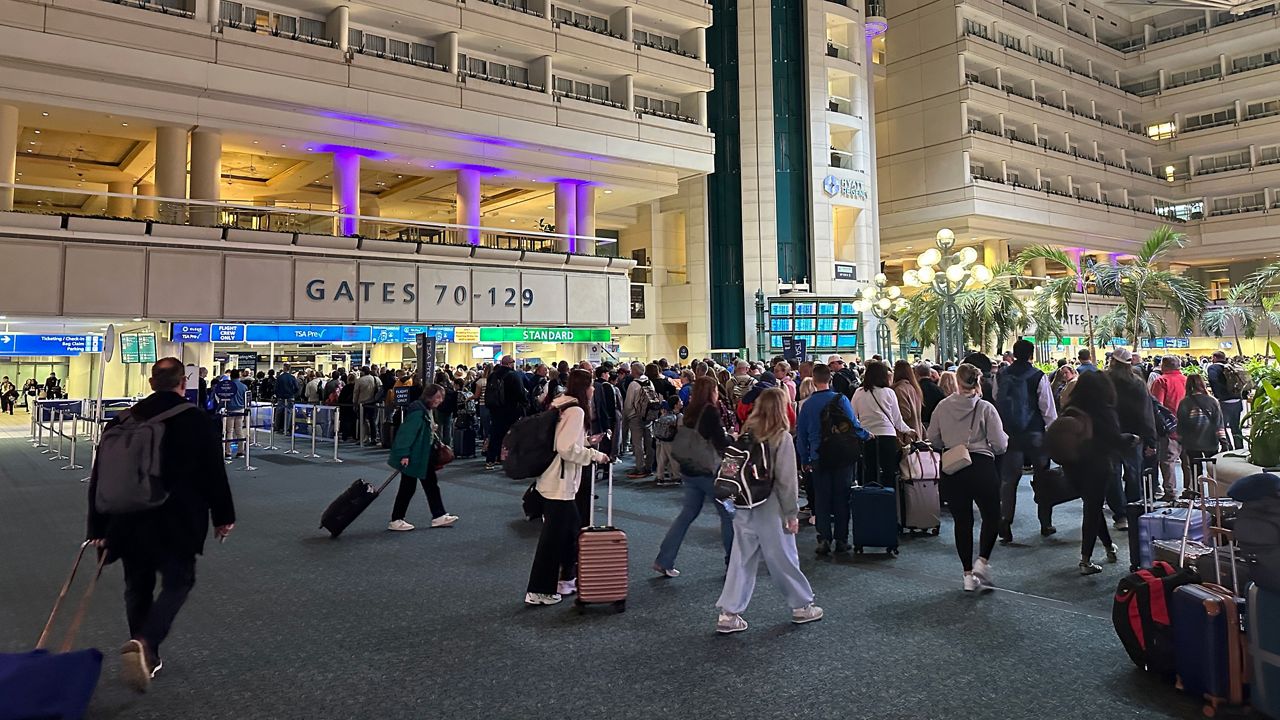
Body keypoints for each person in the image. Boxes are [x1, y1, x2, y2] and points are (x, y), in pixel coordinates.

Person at [86, 358, 235, 692]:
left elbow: (100, 477)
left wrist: (96, 527)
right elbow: (214, 472)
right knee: (178, 582)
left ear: (152, 383)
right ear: (184, 383)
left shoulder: (123, 419)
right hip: (177, 520)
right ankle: (147, 643)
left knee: (136, 585)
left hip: (126, 521)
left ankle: (144, 651)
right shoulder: (196, 420)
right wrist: (223, 516)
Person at [715, 387, 823, 634]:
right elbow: (786, 481)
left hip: (743, 503)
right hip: (770, 507)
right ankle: (801, 606)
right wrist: (791, 513)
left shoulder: (746, 433)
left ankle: (728, 614)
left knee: (741, 560)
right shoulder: (781, 437)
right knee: (783, 557)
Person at [525, 369, 610, 605]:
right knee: (553, 540)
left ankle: (566, 580)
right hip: (560, 483)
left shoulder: (560, 405)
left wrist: (584, 443)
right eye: (592, 385)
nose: (594, 390)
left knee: (570, 532)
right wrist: (594, 454)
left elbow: (562, 441)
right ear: (586, 387)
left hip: (553, 480)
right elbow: (564, 447)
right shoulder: (576, 411)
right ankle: (539, 590)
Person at [927, 363, 1008, 591]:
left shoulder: (942, 407)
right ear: (977, 382)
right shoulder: (986, 408)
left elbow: (933, 439)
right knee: (991, 516)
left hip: (953, 468)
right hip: (981, 466)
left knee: (962, 522)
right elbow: (1000, 445)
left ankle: (966, 574)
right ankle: (982, 561)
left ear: (956, 380)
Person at [654, 376, 734, 576]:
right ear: (712, 391)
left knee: (686, 515)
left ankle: (664, 559)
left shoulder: (690, 410)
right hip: (707, 470)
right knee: (728, 515)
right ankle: (733, 562)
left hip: (689, 469)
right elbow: (719, 441)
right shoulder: (710, 412)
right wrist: (732, 437)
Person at [1061, 371, 1133, 574]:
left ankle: (1109, 547)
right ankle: (1085, 560)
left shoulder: (1070, 408)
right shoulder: (1103, 411)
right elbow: (1114, 439)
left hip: (1073, 464)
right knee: (1092, 509)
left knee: (1092, 507)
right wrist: (1131, 439)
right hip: (1097, 464)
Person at [796, 364, 871, 555]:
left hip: (818, 456)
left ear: (813, 381)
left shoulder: (806, 405)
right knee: (842, 497)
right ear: (830, 379)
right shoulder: (841, 399)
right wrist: (867, 436)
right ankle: (841, 539)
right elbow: (853, 424)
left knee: (821, 499)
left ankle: (823, 539)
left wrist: (804, 458)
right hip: (841, 455)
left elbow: (802, 434)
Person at [991, 339, 1058, 543]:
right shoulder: (1038, 375)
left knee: (1009, 479)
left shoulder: (1001, 374)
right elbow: (1047, 408)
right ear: (1031, 354)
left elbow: (996, 397)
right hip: (1035, 433)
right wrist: (1052, 432)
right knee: (1043, 477)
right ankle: (1045, 522)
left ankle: (1005, 520)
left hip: (1010, 434)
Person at [387, 384, 458, 531]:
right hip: (415, 456)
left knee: (425, 486)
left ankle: (437, 515)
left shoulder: (423, 409)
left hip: (421, 456)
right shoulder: (418, 412)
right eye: (438, 397)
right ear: (429, 396)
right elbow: (406, 435)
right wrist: (404, 454)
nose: (440, 400)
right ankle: (397, 519)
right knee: (411, 488)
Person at [1103, 347, 1156, 530]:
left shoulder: (1102, 381)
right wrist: (1150, 439)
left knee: (1112, 475)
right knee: (1133, 474)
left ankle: (1120, 515)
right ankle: (1133, 509)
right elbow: (1146, 413)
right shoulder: (1138, 383)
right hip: (1134, 437)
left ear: (1112, 361)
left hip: (1109, 436)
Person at [852, 362, 915, 489]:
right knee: (889, 472)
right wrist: (908, 431)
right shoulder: (889, 393)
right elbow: (897, 420)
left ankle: (870, 500)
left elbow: (853, 417)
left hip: (867, 437)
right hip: (888, 437)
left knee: (869, 472)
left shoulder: (858, 393)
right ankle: (889, 502)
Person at [1150, 355, 1189, 501]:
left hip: (1170, 428)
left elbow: (1157, 406)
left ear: (1163, 366)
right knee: (1187, 461)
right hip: (1189, 427)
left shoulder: (1161, 381)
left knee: (1168, 461)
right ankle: (1189, 490)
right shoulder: (1187, 380)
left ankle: (1170, 492)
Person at [1177, 374, 1229, 476]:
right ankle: (1213, 490)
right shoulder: (1213, 401)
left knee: (1196, 472)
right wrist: (1223, 442)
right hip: (1211, 442)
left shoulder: (1184, 402)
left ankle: (1198, 490)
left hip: (1192, 443)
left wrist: (1181, 441)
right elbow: (1219, 424)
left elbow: (1181, 426)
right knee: (1213, 471)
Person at [484, 355, 529, 471]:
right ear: (510, 363)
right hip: (511, 410)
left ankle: (490, 460)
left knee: (495, 434)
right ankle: (507, 459)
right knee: (510, 435)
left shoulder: (493, 375)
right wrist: (525, 404)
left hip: (495, 410)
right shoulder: (513, 375)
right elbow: (520, 393)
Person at [1206, 350, 1245, 450]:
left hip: (1224, 402)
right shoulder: (1232, 367)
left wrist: (1217, 395)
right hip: (1237, 400)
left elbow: (1213, 380)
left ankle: (1227, 447)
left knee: (1221, 426)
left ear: (1214, 358)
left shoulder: (1213, 368)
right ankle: (1239, 447)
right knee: (1235, 426)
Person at [623, 371, 659, 478]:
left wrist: (628, 416)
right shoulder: (649, 382)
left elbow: (628, 403)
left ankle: (640, 468)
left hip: (635, 416)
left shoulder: (633, 385)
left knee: (637, 443)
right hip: (648, 416)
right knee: (649, 441)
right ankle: (649, 466)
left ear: (633, 371)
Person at [892, 360, 924, 440]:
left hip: (906, 436)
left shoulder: (899, 389)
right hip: (917, 431)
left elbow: (905, 414)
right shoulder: (914, 388)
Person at [273, 367, 299, 433]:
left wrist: (278, 395)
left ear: (283, 369)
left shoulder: (279, 378)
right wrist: (292, 394)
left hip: (281, 398)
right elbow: (296, 388)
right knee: (289, 412)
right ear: (289, 370)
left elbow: (275, 388)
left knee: (278, 413)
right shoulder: (292, 378)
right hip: (290, 397)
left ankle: (277, 427)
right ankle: (286, 428)